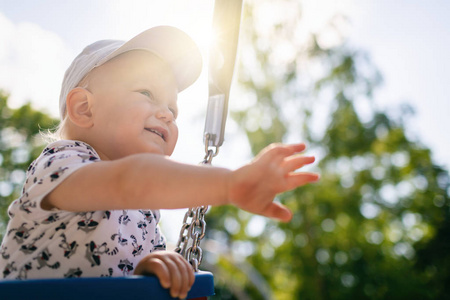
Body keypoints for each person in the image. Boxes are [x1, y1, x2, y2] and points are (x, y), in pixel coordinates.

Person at [0, 26, 319, 299]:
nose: (167, 113)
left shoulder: (143, 212)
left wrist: (153, 267)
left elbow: (128, 262)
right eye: (147, 93)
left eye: (173, 109)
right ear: (84, 108)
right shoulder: (61, 163)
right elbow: (130, 181)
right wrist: (230, 184)